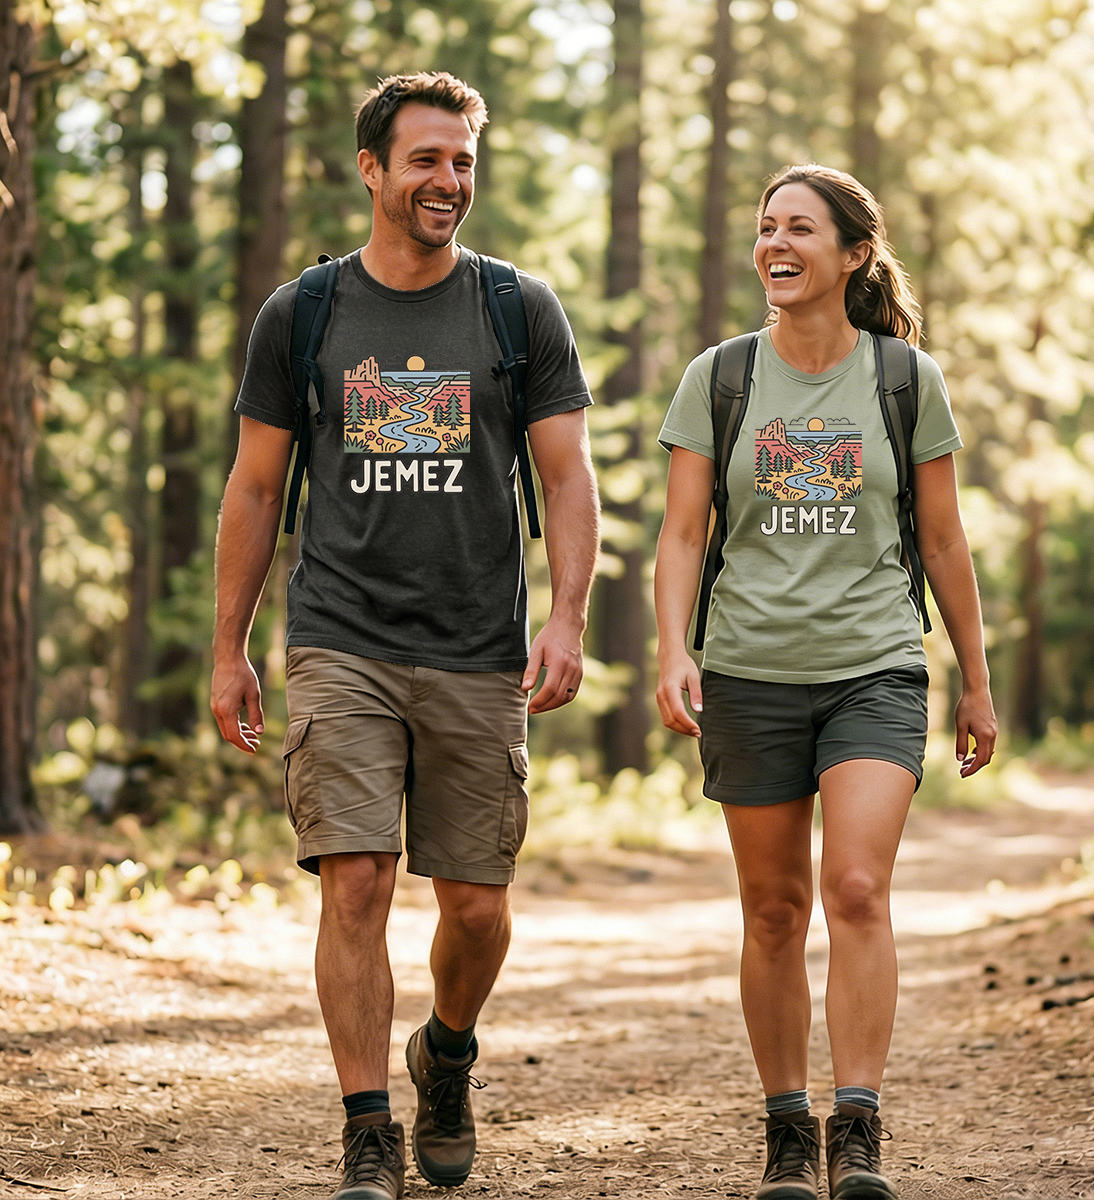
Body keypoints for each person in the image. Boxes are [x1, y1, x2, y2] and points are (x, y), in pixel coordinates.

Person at [210, 72, 600, 1200]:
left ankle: (447, 1053)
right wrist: (229, 647)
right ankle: (367, 1127)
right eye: (426, 160)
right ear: (373, 169)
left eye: (464, 161)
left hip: (480, 644)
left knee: (476, 907)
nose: (449, 182)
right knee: (359, 881)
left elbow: (568, 478)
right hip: (342, 633)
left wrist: (567, 617)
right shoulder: (306, 314)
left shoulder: (518, 309)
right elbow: (254, 488)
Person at [654, 164, 996, 1200]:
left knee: (855, 888)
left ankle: (858, 1126)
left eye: (799, 228)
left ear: (854, 255)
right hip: (751, 671)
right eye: (765, 228)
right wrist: (675, 649)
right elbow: (680, 535)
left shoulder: (903, 378)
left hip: (875, 667)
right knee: (771, 909)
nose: (775, 244)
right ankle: (786, 1132)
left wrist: (976, 681)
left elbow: (943, 539)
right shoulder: (720, 377)